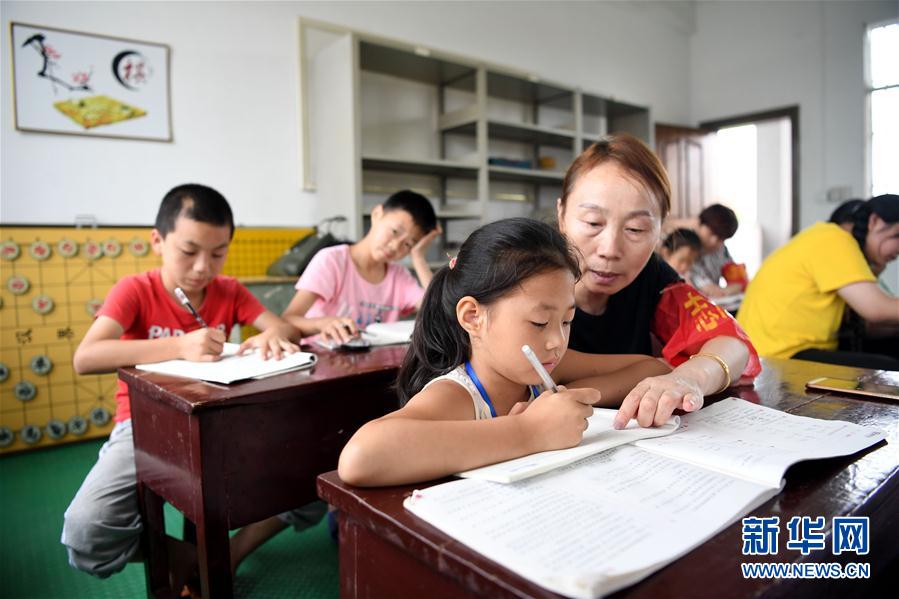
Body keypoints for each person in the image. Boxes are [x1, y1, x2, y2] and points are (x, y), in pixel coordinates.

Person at [61, 184, 315, 588]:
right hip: (143, 428)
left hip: (222, 423)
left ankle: (230, 552)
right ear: (158, 241)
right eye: (189, 251)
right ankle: (186, 554)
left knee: (312, 478)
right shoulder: (135, 290)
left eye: (218, 253)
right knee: (87, 531)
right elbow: (85, 357)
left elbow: (282, 326)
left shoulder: (228, 290)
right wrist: (178, 345)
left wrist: (273, 335)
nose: (202, 267)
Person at [337, 218, 671, 486]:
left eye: (567, 320)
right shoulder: (457, 395)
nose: (557, 340)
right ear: (473, 317)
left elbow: (652, 368)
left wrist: (570, 405)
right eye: (540, 322)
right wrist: (531, 431)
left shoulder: (548, 367)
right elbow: (360, 457)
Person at [555, 134, 760, 430]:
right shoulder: (524, 270)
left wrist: (688, 378)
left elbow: (732, 344)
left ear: (661, 229)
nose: (610, 249)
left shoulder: (656, 279)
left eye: (636, 229)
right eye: (593, 223)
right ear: (561, 214)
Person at [738, 194, 899, 369]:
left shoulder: (826, 238)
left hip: (784, 350)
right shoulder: (834, 238)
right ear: (874, 221)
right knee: (885, 369)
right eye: (897, 236)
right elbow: (876, 309)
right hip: (776, 355)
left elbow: (868, 327)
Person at [282, 189, 441, 346]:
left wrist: (418, 257)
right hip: (325, 361)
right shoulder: (332, 261)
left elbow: (438, 310)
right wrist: (321, 324)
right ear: (377, 214)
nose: (395, 246)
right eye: (394, 232)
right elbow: (288, 319)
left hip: (374, 365)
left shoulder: (399, 277)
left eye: (408, 244)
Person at [689, 204, 746, 297]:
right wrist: (722, 291)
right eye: (711, 233)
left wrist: (725, 291)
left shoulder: (721, 250)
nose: (714, 241)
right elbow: (709, 289)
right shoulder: (685, 248)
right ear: (699, 224)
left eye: (721, 238)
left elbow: (738, 280)